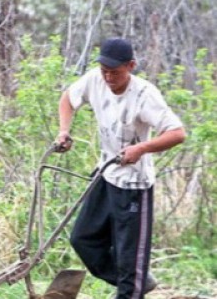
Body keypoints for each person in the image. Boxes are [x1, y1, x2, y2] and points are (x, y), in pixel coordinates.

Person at [56, 38, 186, 298]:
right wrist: (64, 131)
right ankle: (136, 282)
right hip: (106, 174)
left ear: (131, 66)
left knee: (130, 260)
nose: (107, 76)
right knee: (83, 239)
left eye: (114, 72)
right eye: (104, 70)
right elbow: (68, 99)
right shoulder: (95, 79)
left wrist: (141, 148)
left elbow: (177, 133)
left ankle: (132, 284)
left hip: (134, 186)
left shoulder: (144, 94)